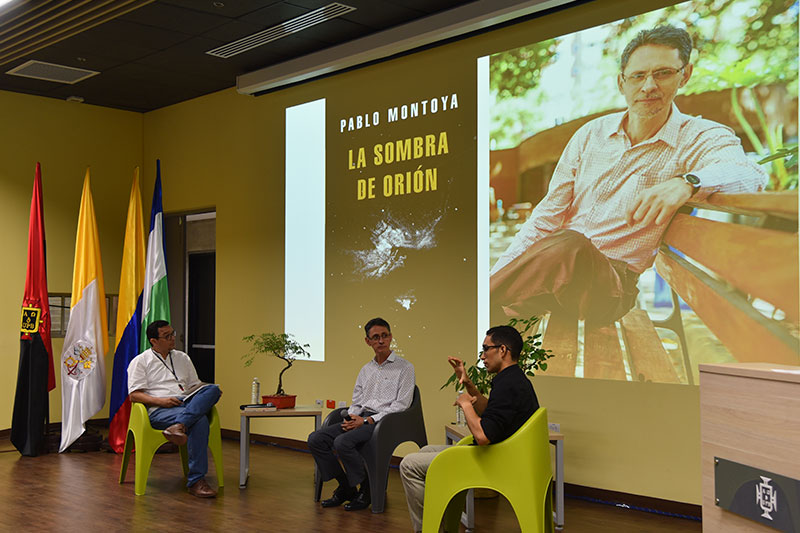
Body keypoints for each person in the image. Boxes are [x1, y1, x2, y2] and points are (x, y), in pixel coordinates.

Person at [491, 25, 769, 325]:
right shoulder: (590, 134)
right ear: (621, 82)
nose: (649, 86)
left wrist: (687, 183)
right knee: (502, 318)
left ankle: (475, 304)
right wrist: (498, 273)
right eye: (638, 76)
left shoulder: (699, 136)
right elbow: (545, 217)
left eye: (663, 73)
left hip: (609, 289)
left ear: (684, 75)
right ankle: (482, 304)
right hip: (557, 274)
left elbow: (750, 174)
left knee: (570, 244)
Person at [399, 325, 539, 533]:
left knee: (409, 465)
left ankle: (428, 529)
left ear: (502, 350)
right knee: (426, 451)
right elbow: (490, 412)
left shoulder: (509, 384)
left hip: (495, 459)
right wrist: (468, 384)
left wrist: (465, 405)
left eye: (486, 349)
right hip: (498, 453)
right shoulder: (513, 379)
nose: (482, 356)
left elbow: (482, 436)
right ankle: (440, 525)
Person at [308, 317, 415, 511]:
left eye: (384, 336)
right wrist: (351, 418)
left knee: (342, 442)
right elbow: (357, 401)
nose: (381, 340)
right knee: (316, 439)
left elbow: (402, 404)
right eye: (375, 337)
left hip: (384, 421)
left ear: (390, 337)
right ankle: (346, 487)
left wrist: (367, 420)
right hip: (361, 418)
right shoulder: (366, 370)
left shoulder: (405, 368)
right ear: (368, 341)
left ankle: (367, 489)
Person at [127, 320, 222, 498]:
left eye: (173, 334)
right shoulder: (140, 362)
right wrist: (161, 401)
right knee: (200, 420)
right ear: (154, 341)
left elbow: (195, 385)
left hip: (186, 402)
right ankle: (196, 481)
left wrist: (198, 392)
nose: (173, 338)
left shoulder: (182, 358)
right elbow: (134, 395)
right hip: (159, 410)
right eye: (167, 336)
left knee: (213, 389)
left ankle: (179, 425)